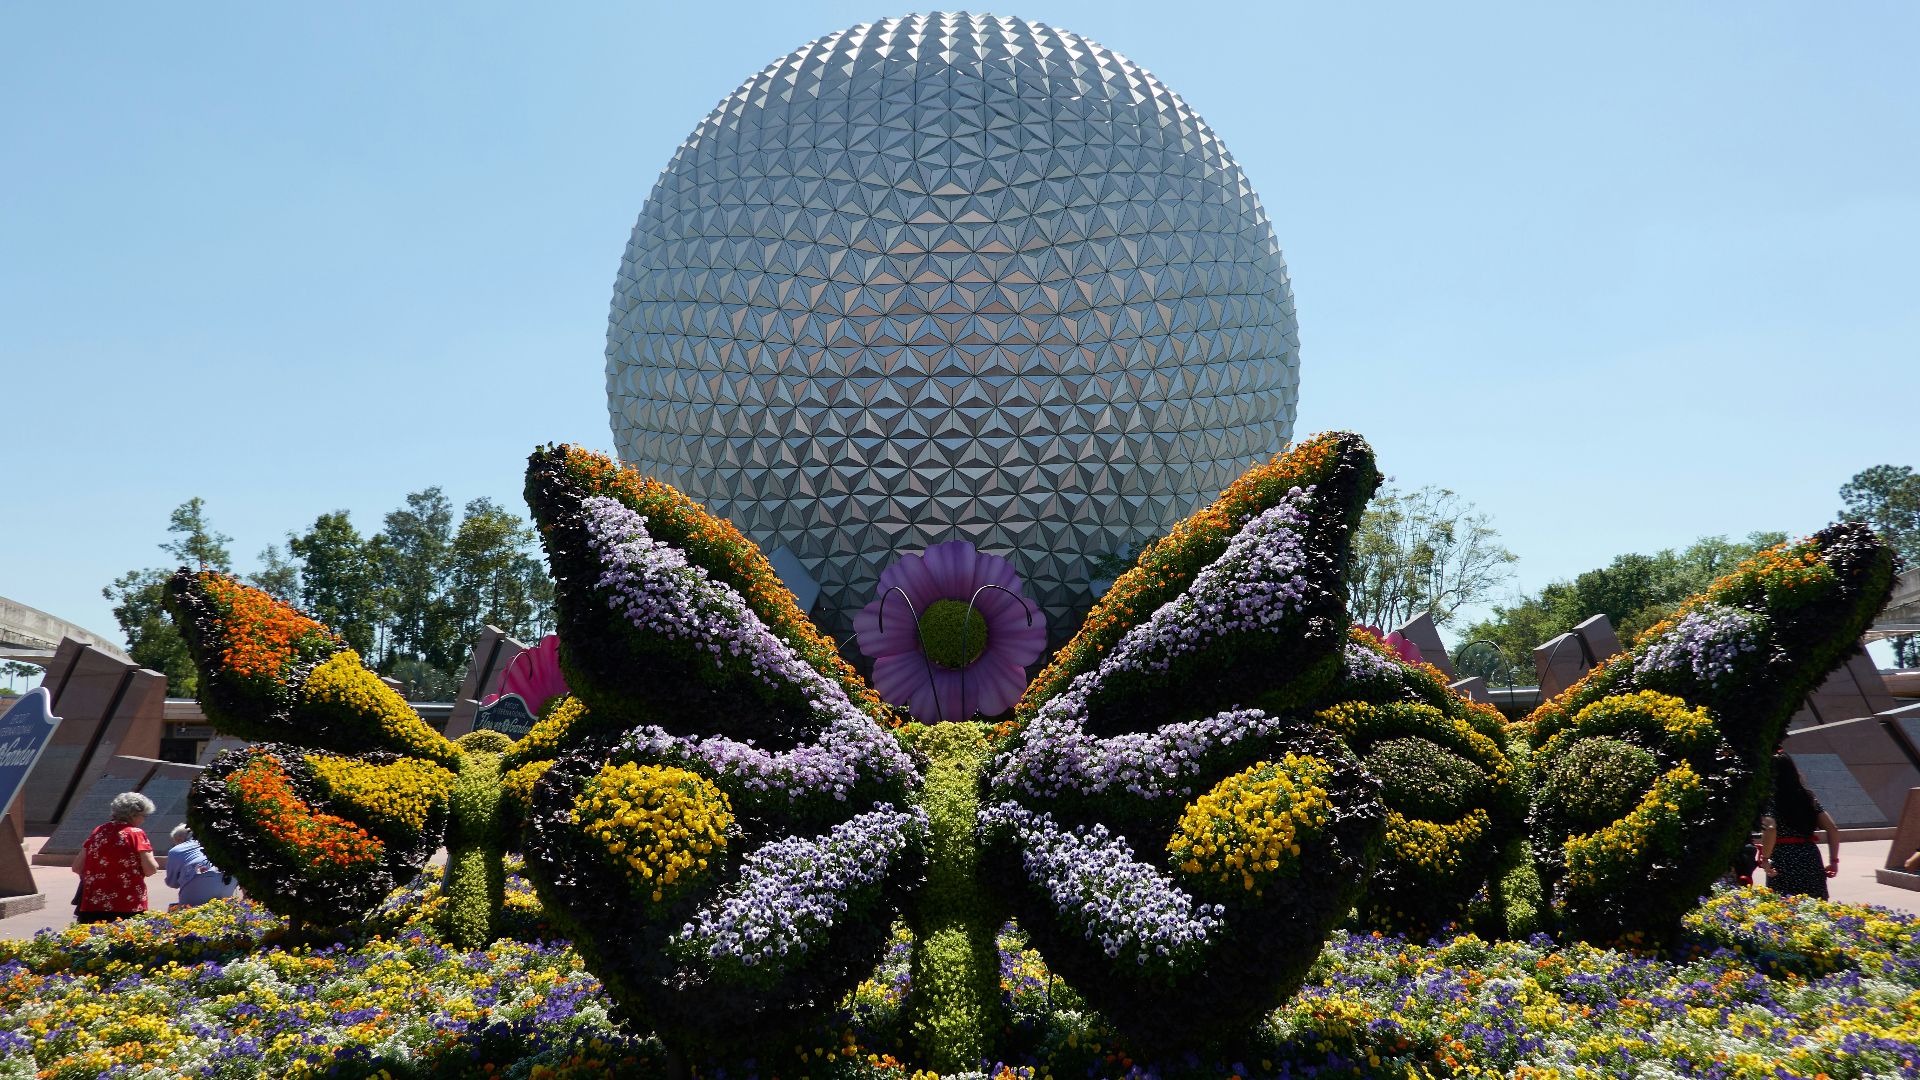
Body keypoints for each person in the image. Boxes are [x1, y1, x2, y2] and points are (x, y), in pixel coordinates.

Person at [1759, 752, 1841, 899]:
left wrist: (1765, 859)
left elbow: (1771, 829)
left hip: (1783, 860)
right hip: (1810, 858)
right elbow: (1833, 829)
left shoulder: (1771, 799)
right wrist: (1833, 861)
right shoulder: (1808, 797)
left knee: (1784, 911)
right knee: (1814, 910)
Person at [70, 791, 161, 922]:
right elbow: (150, 869)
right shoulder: (136, 834)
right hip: (127, 903)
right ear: (133, 814)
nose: (144, 820)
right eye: (144, 815)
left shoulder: (98, 831)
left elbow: (77, 867)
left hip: (94, 904)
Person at [164, 824, 239, 908]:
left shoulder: (176, 851)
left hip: (194, 898)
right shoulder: (226, 846)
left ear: (180, 839)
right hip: (226, 891)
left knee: (177, 911)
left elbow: (172, 883)